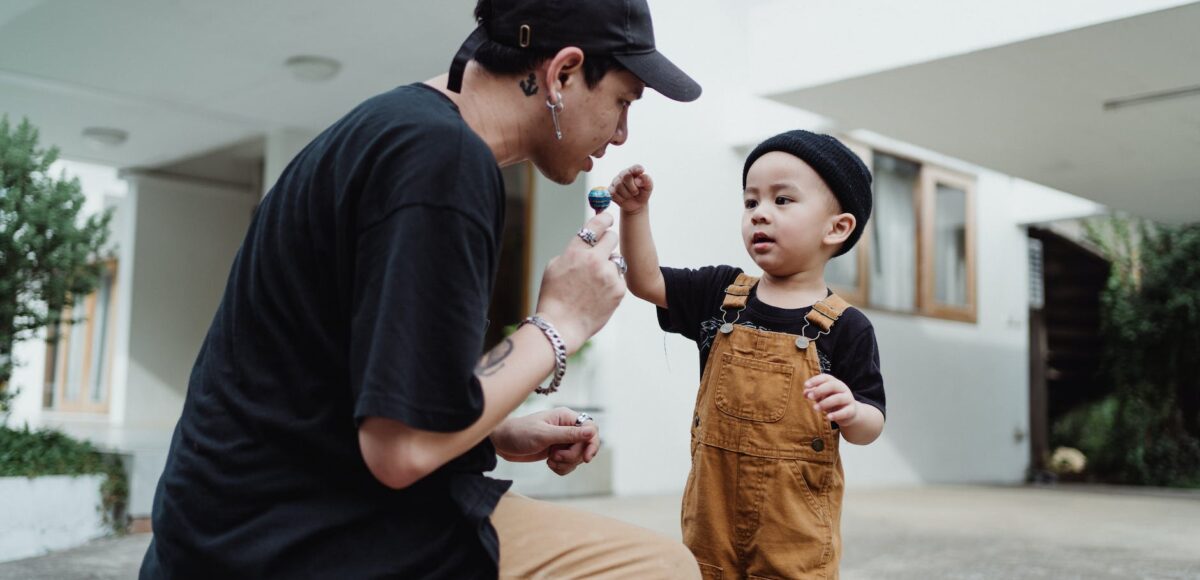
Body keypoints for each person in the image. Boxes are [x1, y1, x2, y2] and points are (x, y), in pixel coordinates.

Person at [139, 0, 703, 577]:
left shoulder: (402, 131)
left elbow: (345, 386)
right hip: (292, 537)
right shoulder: (443, 161)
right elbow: (402, 450)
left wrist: (496, 429)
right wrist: (560, 322)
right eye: (623, 102)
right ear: (562, 73)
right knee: (661, 569)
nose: (622, 134)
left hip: (227, 526)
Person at [611, 130, 887, 578]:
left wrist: (851, 410)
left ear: (836, 227)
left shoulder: (847, 326)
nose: (760, 214)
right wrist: (635, 213)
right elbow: (644, 281)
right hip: (711, 519)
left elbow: (871, 424)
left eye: (782, 201)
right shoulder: (719, 292)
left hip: (793, 529)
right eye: (751, 202)